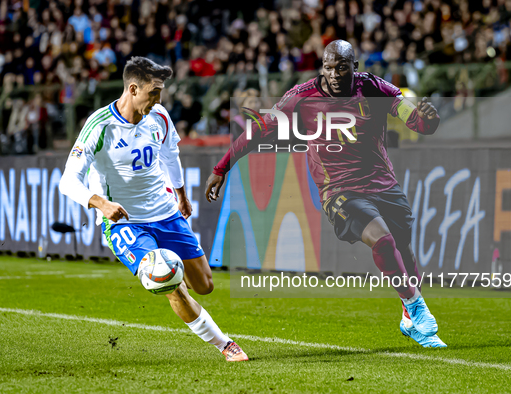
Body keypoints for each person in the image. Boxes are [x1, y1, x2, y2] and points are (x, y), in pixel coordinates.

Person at [205, 40, 446, 348]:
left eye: (341, 67)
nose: (333, 74)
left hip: (383, 184)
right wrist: (222, 167)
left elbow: (416, 120)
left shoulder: (374, 88)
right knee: (382, 239)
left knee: (404, 250)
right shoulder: (301, 97)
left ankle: (410, 320)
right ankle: (416, 307)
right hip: (339, 189)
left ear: (355, 68)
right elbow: (259, 130)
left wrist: (429, 119)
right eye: (328, 67)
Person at [60, 56, 248, 362]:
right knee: (169, 280)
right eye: (153, 93)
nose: (158, 100)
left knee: (205, 285)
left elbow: (171, 155)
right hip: (126, 223)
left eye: (160, 93)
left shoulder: (158, 116)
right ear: (133, 89)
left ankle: (176, 279)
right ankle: (225, 345)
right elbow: (68, 181)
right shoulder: (100, 126)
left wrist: (181, 195)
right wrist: (100, 203)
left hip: (165, 212)